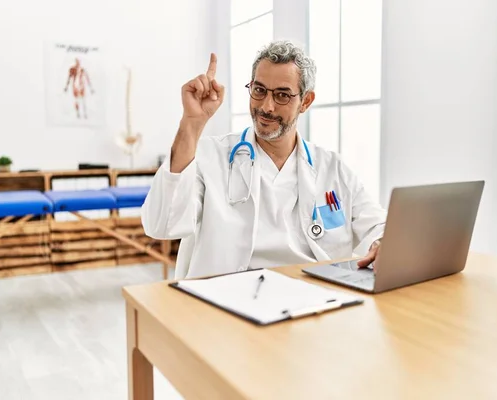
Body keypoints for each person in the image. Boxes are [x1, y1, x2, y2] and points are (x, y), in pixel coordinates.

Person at [141, 40, 387, 279]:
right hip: (227, 299)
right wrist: (192, 124)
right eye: (259, 91)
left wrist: (382, 242)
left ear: (306, 101)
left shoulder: (332, 168)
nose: (266, 107)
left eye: (282, 95)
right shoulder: (210, 156)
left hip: (314, 297)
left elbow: (377, 225)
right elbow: (162, 225)